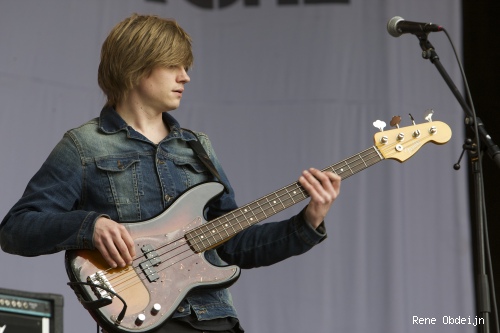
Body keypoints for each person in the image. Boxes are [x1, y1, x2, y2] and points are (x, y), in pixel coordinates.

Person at [0, 13, 341, 333]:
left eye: (186, 66)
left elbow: (234, 244)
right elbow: (15, 229)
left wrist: (307, 222)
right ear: (136, 67)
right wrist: (88, 226)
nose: (185, 76)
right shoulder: (85, 146)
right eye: (173, 65)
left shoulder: (197, 147)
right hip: (145, 319)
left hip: (217, 319)